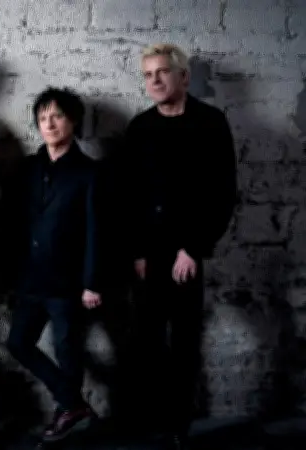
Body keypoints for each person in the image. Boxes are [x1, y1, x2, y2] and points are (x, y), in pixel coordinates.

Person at [123, 43, 237, 449]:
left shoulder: (210, 123)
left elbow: (222, 193)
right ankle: (151, 416)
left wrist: (193, 249)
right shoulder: (140, 128)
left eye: (162, 72)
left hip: (188, 251)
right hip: (149, 252)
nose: (154, 80)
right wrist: (138, 252)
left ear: (183, 77)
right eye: (148, 75)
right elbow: (129, 196)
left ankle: (179, 424)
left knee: (185, 341)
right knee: (147, 338)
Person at [2, 87, 102, 444]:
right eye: (43, 118)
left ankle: (67, 410)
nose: (49, 124)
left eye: (57, 116)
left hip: (68, 282)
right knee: (18, 343)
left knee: (67, 349)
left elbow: (96, 231)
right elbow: (12, 222)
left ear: (73, 121)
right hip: (30, 279)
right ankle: (73, 403)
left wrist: (92, 282)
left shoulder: (89, 173)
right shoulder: (28, 168)